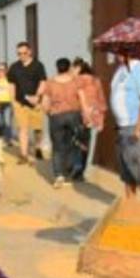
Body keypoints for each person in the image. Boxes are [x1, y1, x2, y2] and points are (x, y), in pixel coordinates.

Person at [109, 53, 140, 202]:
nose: (116, 53)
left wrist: (138, 127)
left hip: (137, 126)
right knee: (128, 176)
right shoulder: (120, 70)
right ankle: (131, 211)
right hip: (124, 127)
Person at [41, 58, 85, 188]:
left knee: (58, 146)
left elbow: (44, 103)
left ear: (57, 68)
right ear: (69, 67)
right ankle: (73, 171)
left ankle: (59, 175)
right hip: (74, 115)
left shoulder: (50, 83)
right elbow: (82, 98)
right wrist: (85, 113)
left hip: (56, 116)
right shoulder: (76, 82)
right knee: (74, 143)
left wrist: (49, 113)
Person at [7, 41, 47, 163]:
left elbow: (43, 82)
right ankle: (23, 155)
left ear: (29, 52)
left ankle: (38, 147)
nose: (22, 56)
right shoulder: (14, 67)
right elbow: (11, 84)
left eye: (24, 53)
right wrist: (13, 101)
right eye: (19, 54)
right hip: (20, 103)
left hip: (36, 103)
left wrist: (38, 96)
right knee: (22, 129)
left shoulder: (38, 66)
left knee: (38, 129)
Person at [71, 57, 105, 180]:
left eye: (73, 68)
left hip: (79, 114)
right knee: (86, 143)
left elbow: (76, 98)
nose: (71, 71)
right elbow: (101, 100)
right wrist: (101, 119)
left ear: (78, 68)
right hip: (93, 115)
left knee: (76, 141)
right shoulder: (96, 80)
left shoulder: (78, 80)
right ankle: (81, 170)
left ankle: (76, 168)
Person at [0, 64, 15, 144]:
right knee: (0, 122)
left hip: (7, 103)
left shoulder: (9, 80)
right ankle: (0, 136)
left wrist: (13, 103)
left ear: (6, 71)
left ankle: (8, 139)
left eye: (3, 70)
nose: (1, 71)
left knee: (7, 122)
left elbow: (12, 91)